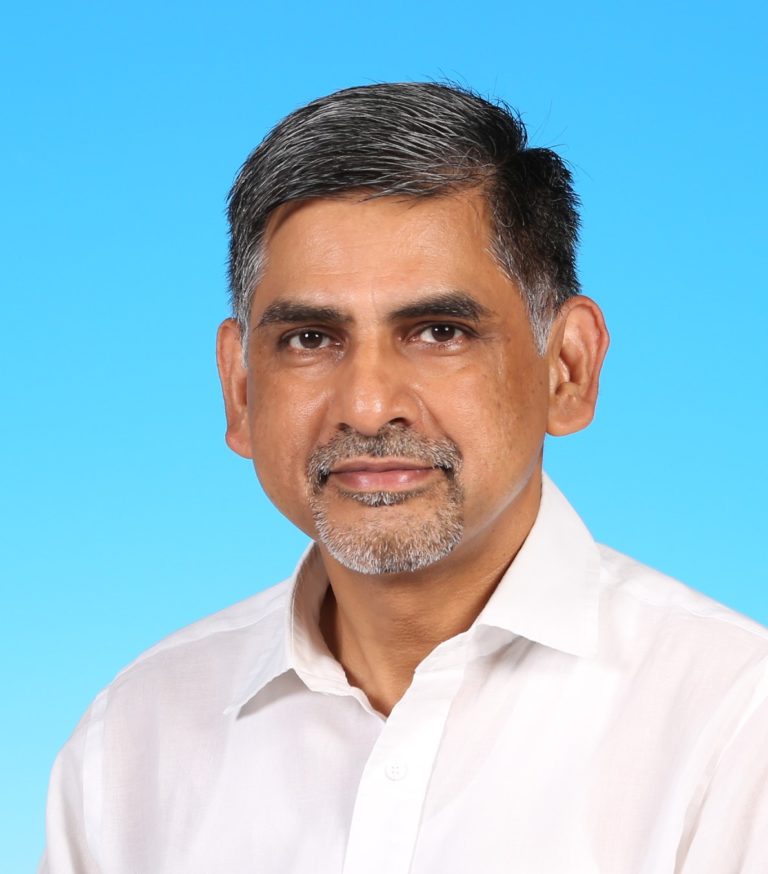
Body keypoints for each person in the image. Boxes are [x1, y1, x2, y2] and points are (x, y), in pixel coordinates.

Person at [41, 83, 768, 874]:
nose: (367, 404)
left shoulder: (734, 726)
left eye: (439, 331)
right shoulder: (133, 742)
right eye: (310, 338)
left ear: (567, 368)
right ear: (241, 388)